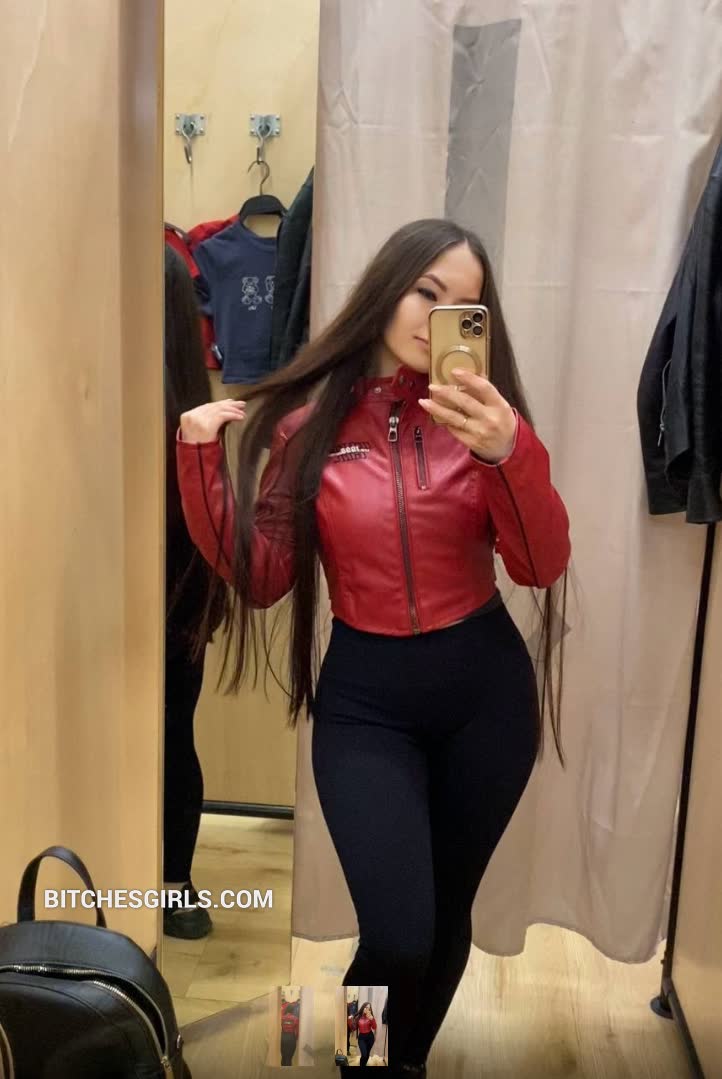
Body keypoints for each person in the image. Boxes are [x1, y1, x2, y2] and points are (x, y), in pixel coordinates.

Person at [175, 219, 572, 1075]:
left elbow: (540, 565)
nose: (438, 315)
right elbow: (265, 576)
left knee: (446, 916)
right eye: (426, 291)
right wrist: (200, 461)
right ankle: (357, 1057)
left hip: (486, 699)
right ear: (386, 290)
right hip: (367, 702)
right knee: (398, 931)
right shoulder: (311, 427)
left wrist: (508, 453)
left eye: (464, 304)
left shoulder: (486, 423)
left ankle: (399, 1063)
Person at [163, 244, 227, 939]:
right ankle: (171, 885)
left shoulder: (186, 419)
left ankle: (172, 884)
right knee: (170, 732)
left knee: (170, 732)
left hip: (173, 590)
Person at [355, 1002, 377, 1067]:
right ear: (363, 1007)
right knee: (364, 1054)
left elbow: (374, 1027)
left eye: (369, 1008)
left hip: (370, 1037)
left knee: (367, 1054)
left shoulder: (370, 1017)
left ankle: (364, 1064)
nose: (367, 1009)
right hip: (361, 1038)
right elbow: (354, 1027)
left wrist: (372, 1019)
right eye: (366, 1007)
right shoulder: (358, 1017)